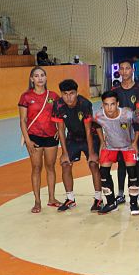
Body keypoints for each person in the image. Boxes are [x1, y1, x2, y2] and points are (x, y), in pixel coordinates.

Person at [52, 79, 102, 212]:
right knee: (65, 164)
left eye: (72, 93)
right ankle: (70, 199)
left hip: (89, 136)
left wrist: (92, 153)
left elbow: (88, 130)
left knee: (93, 164)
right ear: (61, 94)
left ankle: (98, 199)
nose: (68, 97)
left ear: (77, 93)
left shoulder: (85, 104)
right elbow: (61, 130)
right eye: (65, 94)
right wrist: (64, 153)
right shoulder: (58, 105)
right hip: (73, 137)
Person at [18, 66, 60, 213]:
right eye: (36, 76)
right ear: (32, 79)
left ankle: (52, 198)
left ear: (46, 78)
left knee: (51, 167)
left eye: (42, 75)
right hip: (34, 137)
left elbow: (60, 116)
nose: (40, 78)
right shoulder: (26, 97)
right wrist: (28, 140)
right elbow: (23, 120)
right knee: (36, 168)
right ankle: (37, 201)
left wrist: (60, 131)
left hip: (51, 136)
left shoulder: (53, 96)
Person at [94, 91, 139, 215]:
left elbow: (137, 125)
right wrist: (102, 141)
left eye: (112, 104)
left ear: (117, 104)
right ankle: (111, 203)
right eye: (106, 104)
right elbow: (96, 125)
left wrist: (135, 142)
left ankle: (133, 204)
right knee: (103, 173)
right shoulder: (98, 115)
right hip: (110, 145)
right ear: (102, 105)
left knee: (132, 173)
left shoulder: (127, 114)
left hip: (127, 146)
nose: (109, 108)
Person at [111, 59, 139, 207]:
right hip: (119, 133)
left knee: (137, 163)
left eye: (127, 68)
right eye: (122, 68)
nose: (124, 71)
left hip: (134, 133)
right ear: (119, 71)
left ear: (132, 70)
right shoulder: (115, 90)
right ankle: (120, 194)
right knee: (121, 163)